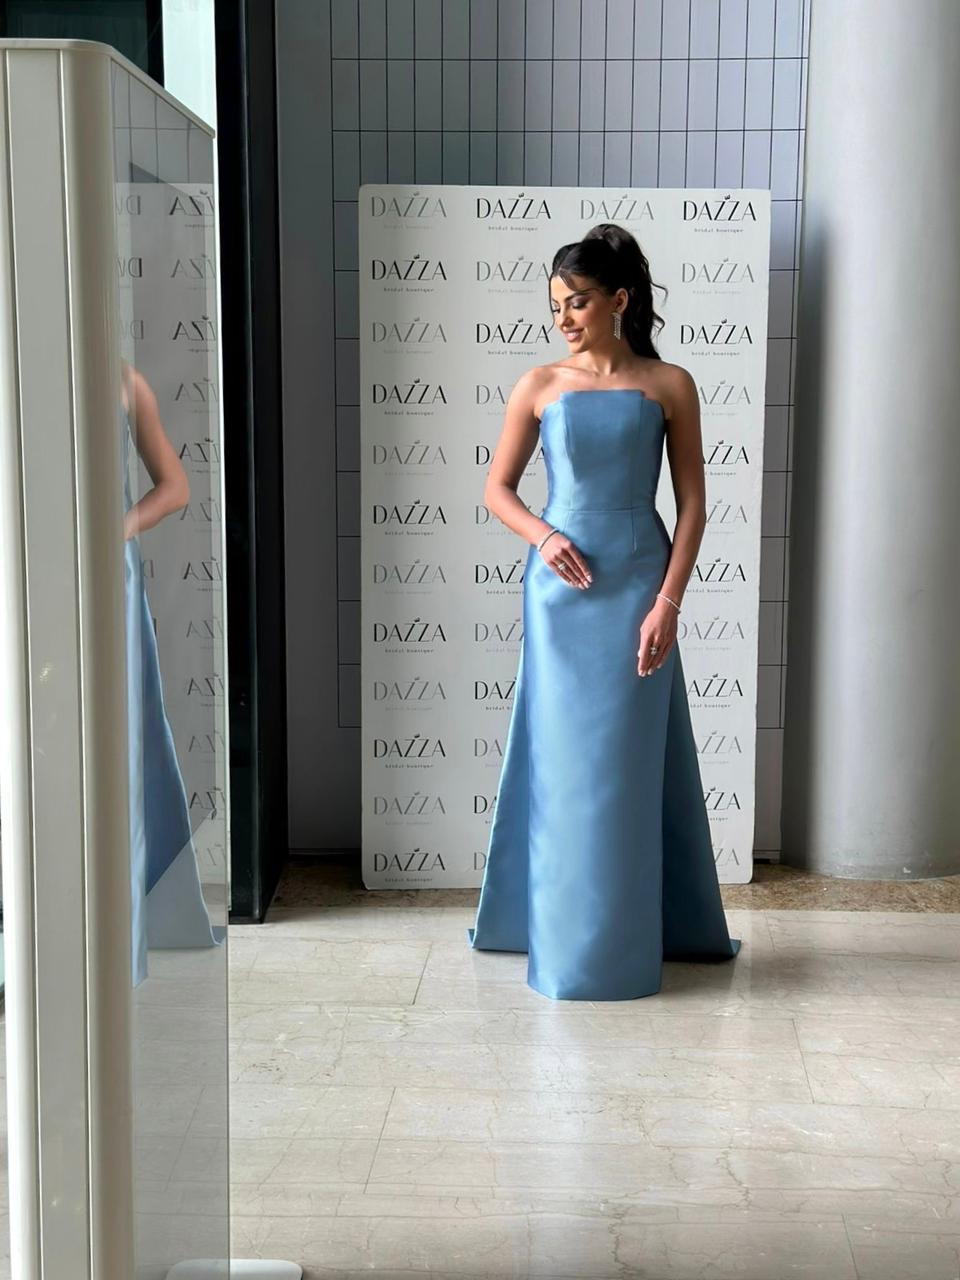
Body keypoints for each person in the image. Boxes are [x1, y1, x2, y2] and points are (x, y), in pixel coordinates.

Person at [466, 222, 741, 1001]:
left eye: (578, 301)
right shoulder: (539, 385)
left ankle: (623, 945)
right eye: (555, 304)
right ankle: (565, 948)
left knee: (623, 767)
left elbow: (693, 506)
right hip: (561, 595)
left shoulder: (669, 384)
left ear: (619, 301)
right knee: (566, 767)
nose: (564, 317)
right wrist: (544, 535)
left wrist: (668, 602)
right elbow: (497, 489)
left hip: (639, 587)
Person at [121, 358, 221, 987]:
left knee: (123, 741)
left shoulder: (122, 381)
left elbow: (175, 487)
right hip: (21, 564)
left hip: (105, 575)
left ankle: (119, 925)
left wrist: (114, 530)